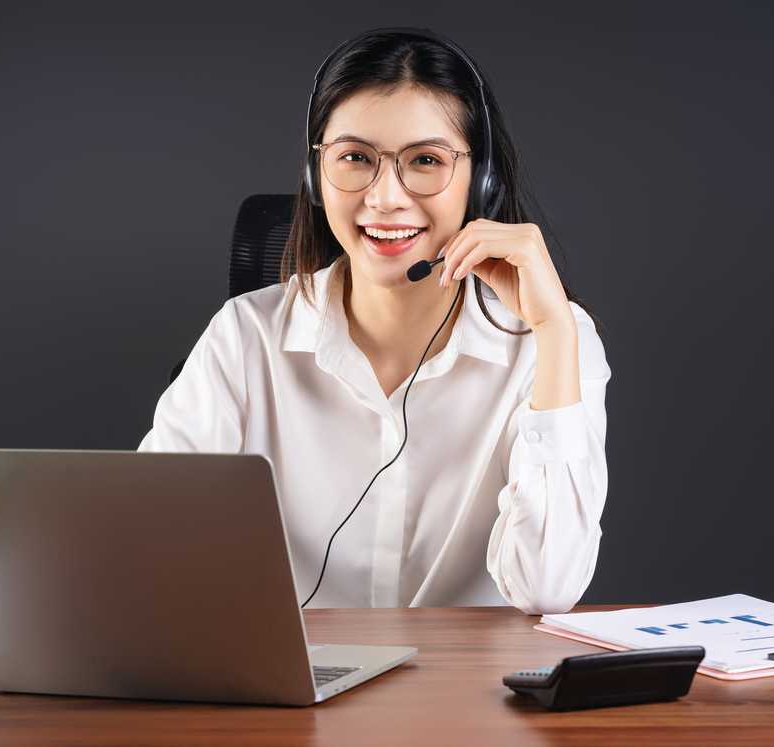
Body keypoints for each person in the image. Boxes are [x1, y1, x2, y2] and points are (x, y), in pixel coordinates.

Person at [138, 28, 612, 615]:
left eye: (426, 161)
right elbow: (148, 546)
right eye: (356, 158)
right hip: (290, 692)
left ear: (480, 180)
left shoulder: (549, 341)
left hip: (470, 695)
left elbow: (549, 588)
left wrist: (556, 330)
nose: (386, 198)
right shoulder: (245, 337)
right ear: (317, 174)